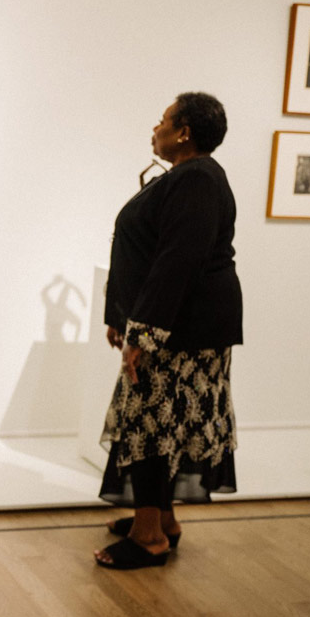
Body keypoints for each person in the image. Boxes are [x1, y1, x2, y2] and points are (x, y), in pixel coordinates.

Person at [94, 92, 241, 570]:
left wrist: (145, 333)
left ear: (184, 133)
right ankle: (162, 521)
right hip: (179, 328)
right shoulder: (186, 178)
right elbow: (147, 252)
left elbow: (177, 262)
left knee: (151, 428)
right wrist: (122, 314)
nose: (153, 129)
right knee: (162, 427)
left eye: (162, 121)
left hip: (181, 333)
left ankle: (149, 535)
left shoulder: (196, 179)